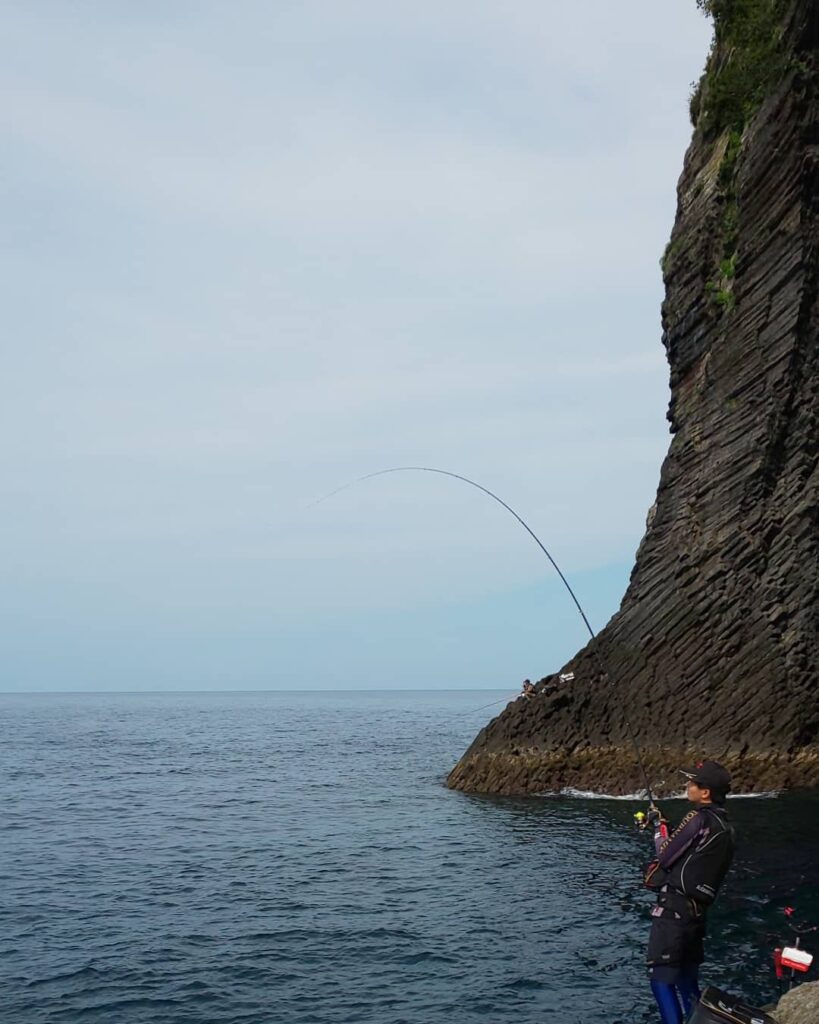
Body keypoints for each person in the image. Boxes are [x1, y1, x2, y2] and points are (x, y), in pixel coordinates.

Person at [644, 760, 735, 1024]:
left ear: (705, 792)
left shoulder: (698, 817)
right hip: (697, 913)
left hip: (673, 910)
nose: (688, 786)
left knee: (660, 977)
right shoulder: (725, 826)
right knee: (686, 978)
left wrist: (659, 829)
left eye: (692, 782)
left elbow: (664, 855)